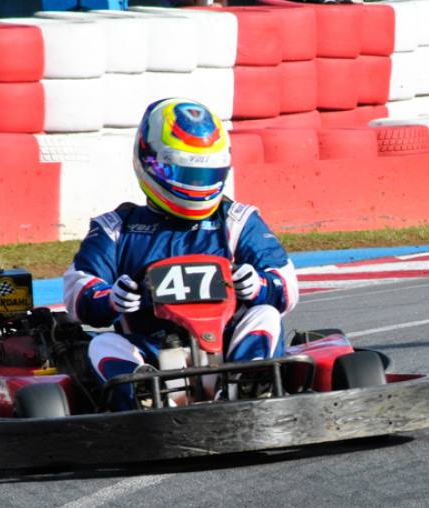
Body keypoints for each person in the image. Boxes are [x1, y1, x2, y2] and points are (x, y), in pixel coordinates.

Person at [62, 97, 299, 409]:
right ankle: (147, 398)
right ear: (149, 163)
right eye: (186, 175)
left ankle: (247, 386)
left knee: (265, 315)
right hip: (149, 352)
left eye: (206, 177)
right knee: (103, 344)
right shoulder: (116, 228)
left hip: (227, 351)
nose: (197, 187)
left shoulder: (237, 220)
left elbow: (286, 286)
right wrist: (108, 298)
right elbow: (78, 287)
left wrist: (258, 286)